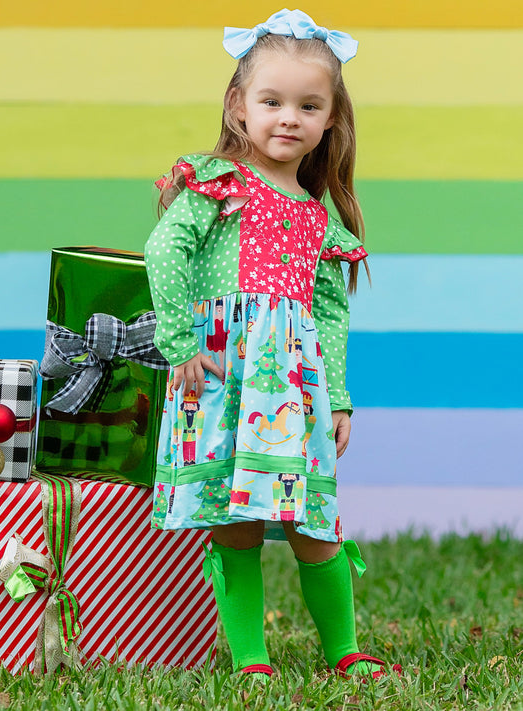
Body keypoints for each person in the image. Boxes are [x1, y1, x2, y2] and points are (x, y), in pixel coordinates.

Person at [145, 8, 400, 681]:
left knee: (315, 519)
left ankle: (344, 647)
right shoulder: (217, 184)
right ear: (238, 107)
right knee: (237, 520)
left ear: (328, 120)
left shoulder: (316, 217)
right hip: (224, 375)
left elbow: (328, 311)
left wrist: (337, 395)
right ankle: (252, 659)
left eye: (307, 105)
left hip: (293, 388)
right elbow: (164, 248)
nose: (288, 117)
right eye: (271, 101)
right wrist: (178, 342)